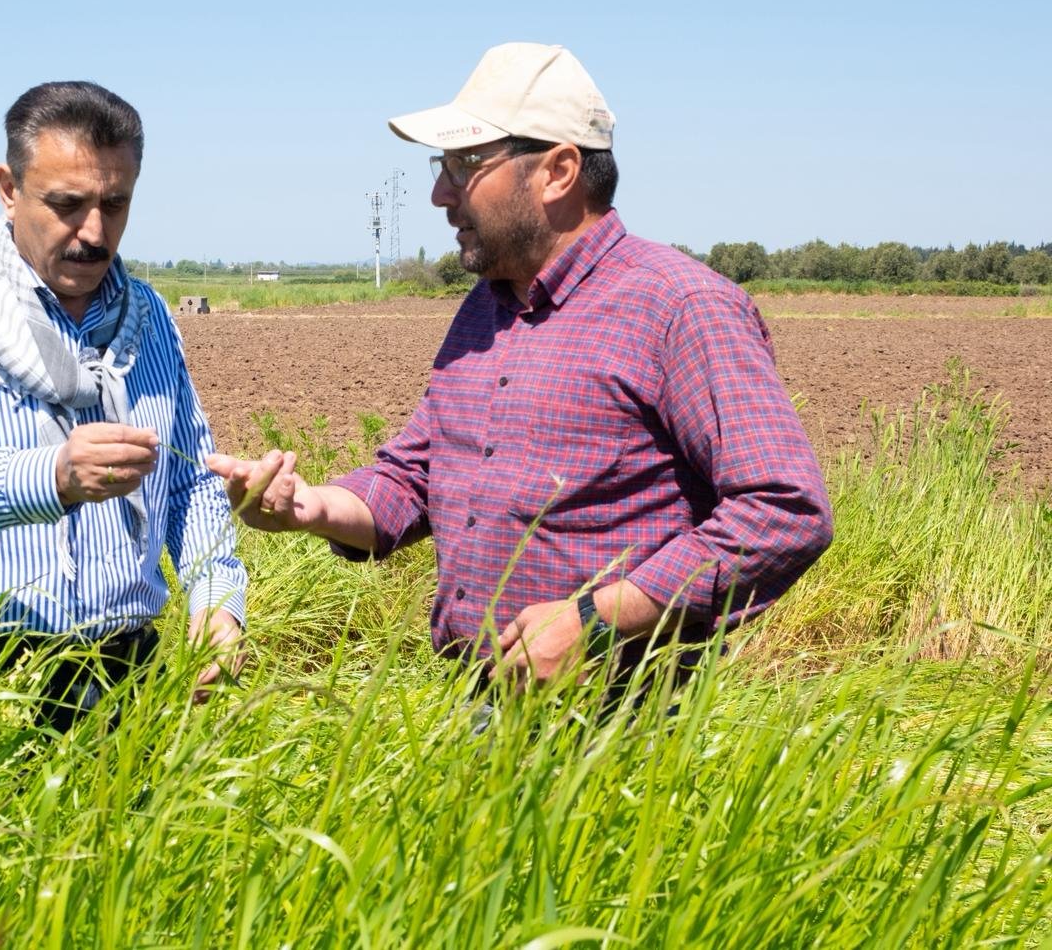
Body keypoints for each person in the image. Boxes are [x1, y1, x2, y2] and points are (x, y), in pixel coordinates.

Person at [208, 43, 831, 697]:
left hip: (626, 720)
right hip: (483, 706)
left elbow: (784, 510)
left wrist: (596, 620)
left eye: (466, 164)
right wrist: (304, 506)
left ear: (558, 171)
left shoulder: (680, 306)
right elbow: (416, 477)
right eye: (440, 165)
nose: (439, 193)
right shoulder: (486, 309)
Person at [0, 80, 246, 731]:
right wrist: (52, 477)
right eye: (67, 205)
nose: (94, 233)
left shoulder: (148, 315)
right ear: (9, 189)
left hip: (127, 670)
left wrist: (215, 599)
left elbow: (188, 481)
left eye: (115, 204)